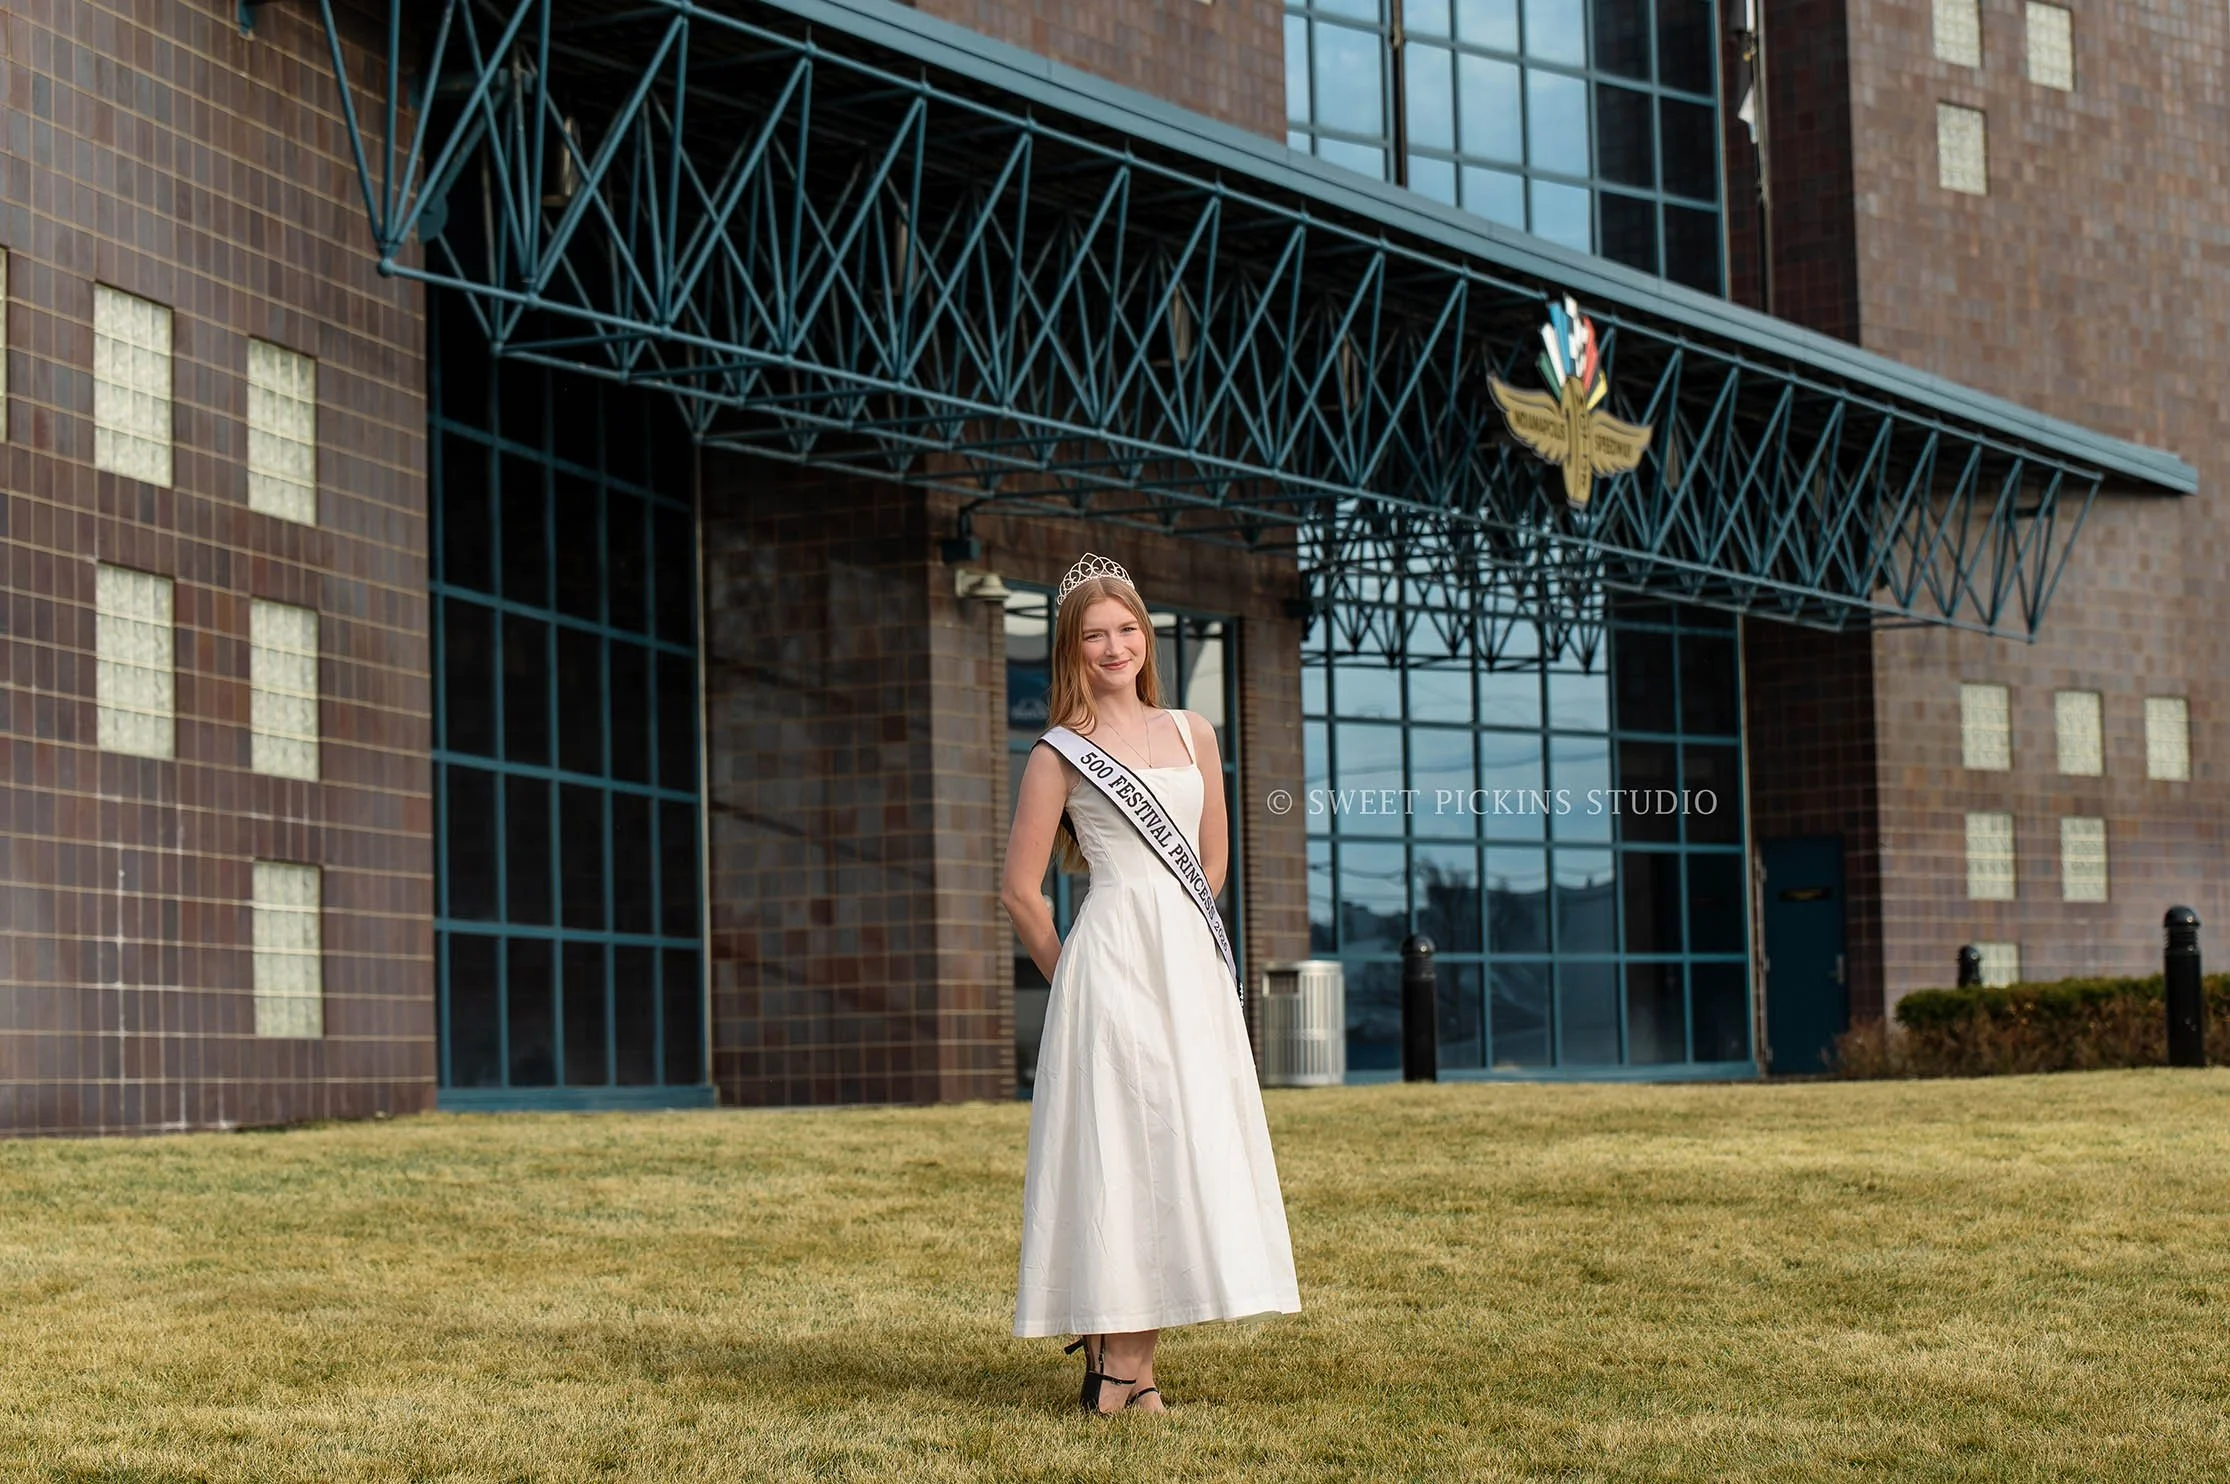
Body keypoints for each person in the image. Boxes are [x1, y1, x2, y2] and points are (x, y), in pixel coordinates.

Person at [1001, 552, 1302, 1416]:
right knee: (1120, 1152)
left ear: (1147, 636)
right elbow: (1021, 894)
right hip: (1109, 962)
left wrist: (1181, 940)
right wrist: (1074, 984)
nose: (1114, 646)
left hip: (1185, 965)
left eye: (1127, 628)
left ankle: (1121, 1365)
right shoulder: (1059, 753)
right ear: (1071, 646)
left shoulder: (1191, 732)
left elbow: (1210, 857)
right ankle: (1124, 1376)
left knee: (1176, 1143)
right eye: (1094, 634)